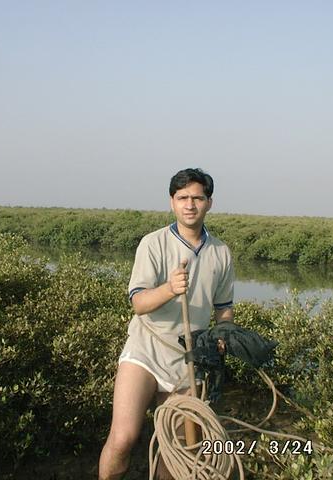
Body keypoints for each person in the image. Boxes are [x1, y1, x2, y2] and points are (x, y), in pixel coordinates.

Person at [98, 168, 235, 480]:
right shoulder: (153, 243)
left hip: (189, 359)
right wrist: (170, 289)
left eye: (197, 198)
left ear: (209, 203)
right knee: (123, 439)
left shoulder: (221, 253)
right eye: (182, 198)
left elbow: (224, 309)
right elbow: (138, 303)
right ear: (172, 202)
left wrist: (224, 334)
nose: (190, 204)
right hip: (145, 351)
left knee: (178, 451)